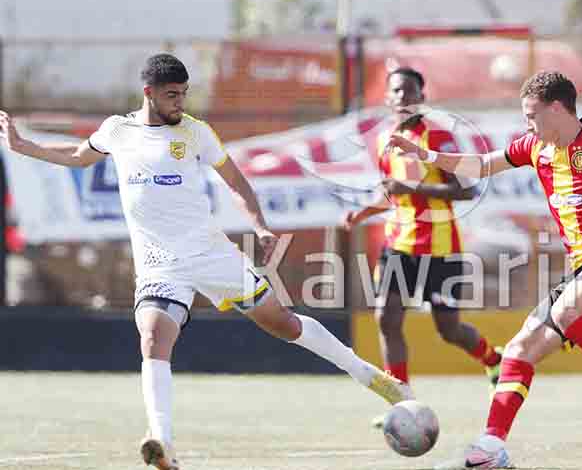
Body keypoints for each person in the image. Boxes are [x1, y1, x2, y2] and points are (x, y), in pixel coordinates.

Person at [0, 54, 413, 470]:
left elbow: (237, 183)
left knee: (284, 324)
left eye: (184, 93)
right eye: (172, 95)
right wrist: (24, 147)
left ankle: (370, 376)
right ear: (148, 93)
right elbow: (78, 155)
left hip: (211, 254)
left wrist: (261, 227)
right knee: (153, 337)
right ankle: (161, 442)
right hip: (160, 265)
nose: (180, 102)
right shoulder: (117, 130)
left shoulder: (195, 132)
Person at [389, 70, 582, 468]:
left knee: (568, 310)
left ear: (556, 109)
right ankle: (491, 448)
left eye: (531, 115)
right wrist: (426, 155)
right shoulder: (535, 147)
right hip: (581, 270)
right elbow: (480, 166)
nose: (528, 124)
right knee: (519, 350)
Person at [344, 67, 504, 418]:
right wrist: (364, 212)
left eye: (410, 91)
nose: (403, 97)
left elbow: (466, 189)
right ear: (387, 98)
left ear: (422, 97)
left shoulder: (438, 136)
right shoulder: (385, 140)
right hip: (399, 245)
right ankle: (401, 402)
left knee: (449, 330)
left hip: (440, 249)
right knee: (387, 319)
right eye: (396, 91)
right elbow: (392, 192)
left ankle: (494, 359)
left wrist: (412, 188)